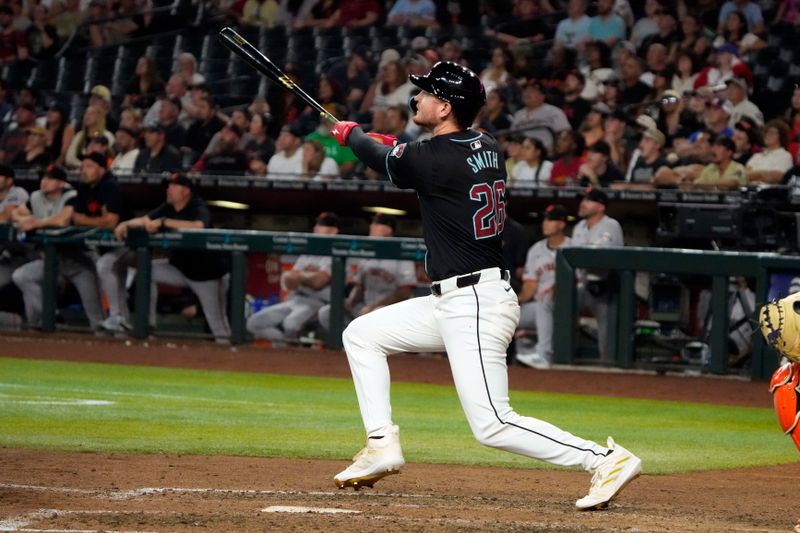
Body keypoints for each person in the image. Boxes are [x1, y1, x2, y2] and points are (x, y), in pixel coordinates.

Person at [328, 60, 641, 508]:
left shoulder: (432, 159)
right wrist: (389, 146)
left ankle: (604, 459)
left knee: (492, 423)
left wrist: (353, 135)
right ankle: (381, 444)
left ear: (445, 108)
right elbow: (414, 157)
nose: (417, 98)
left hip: (474, 302)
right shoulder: (486, 144)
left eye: (427, 94)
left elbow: (383, 157)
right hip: (456, 299)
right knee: (361, 334)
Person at [111, 172, 231, 342]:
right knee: (147, 271)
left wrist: (164, 222)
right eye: (169, 186)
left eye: (174, 186)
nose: (169, 189)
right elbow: (145, 220)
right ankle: (148, 324)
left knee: (219, 327)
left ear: (186, 191)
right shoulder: (168, 207)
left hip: (207, 276)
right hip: (180, 269)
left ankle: (232, 357)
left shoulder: (197, 206)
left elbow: (199, 226)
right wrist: (125, 223)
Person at [246, 211, 338, 343]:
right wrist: (306, 278)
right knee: (253, 323)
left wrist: (300, 277)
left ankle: (292, 355)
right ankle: (286, 350)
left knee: (290, 324)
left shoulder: (335, 254)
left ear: (333, 231)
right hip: (295, 299)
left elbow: (319, 282)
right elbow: (289, 281)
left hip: (318, 303)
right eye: (317, 224)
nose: (316, 228)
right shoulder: (308, 253)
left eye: (322, 225)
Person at [317, 213, 416, 334]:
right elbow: (359, 286)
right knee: (327, 312)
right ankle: (347, 345)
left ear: (389, 229)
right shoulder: (367, 254)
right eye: (372, 223)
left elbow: (404, 292)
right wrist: (350, 301)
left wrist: (375, 307)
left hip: (389, 310)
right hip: (365, 307)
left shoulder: (401, 255)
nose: (372, 226)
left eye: (377, 224)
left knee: (375, 314)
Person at [10, 165, 76, 327]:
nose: (44, 181)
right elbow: (15, 213)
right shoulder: (36, 197)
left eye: (50, 178)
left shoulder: (72, 196)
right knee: (22, 276)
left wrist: (35, 223)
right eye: (43, 177)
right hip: (48, 259)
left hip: (77, 258)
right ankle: (52, 317)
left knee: (94, 310)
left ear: (61, 183)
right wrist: (25, 220)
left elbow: (62, 221)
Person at [572, 186, 624, 362]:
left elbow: (599, 257)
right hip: (584, 284)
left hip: (608, 286)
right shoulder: (579, 227)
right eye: (583, 199)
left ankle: (608, 368)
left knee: (607, 332)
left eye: (588, 200)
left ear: (601, 206)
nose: (583, 203)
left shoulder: (610, 225)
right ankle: (561, 359)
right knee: (561, 306)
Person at [516, 204, 571, 370]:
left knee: (544, 299)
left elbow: (578, 280)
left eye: (551, 219)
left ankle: (544, 354)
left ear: (562, 224)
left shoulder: (573, 247)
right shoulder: (536, 250)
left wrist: (556, 288)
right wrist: (513, 301)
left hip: (565, 304)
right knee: (503, 315)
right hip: (540, 306)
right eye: (545, 219)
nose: (545, 223)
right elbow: (530, 286)